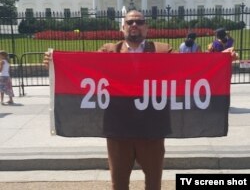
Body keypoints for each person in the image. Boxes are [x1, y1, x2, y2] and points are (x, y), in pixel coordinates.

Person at [43, 10, 237, 190]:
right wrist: (55, 64)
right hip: (118, 130)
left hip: (152, 129)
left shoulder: (162, 50)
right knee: (118, 184)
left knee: (153, 184)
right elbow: (84, 69)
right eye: (130, 21)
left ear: (146, 28)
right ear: (122, 27)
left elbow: (188, 69)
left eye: (139, 21)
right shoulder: (109, 51)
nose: (134, 24)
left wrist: (220, 60)